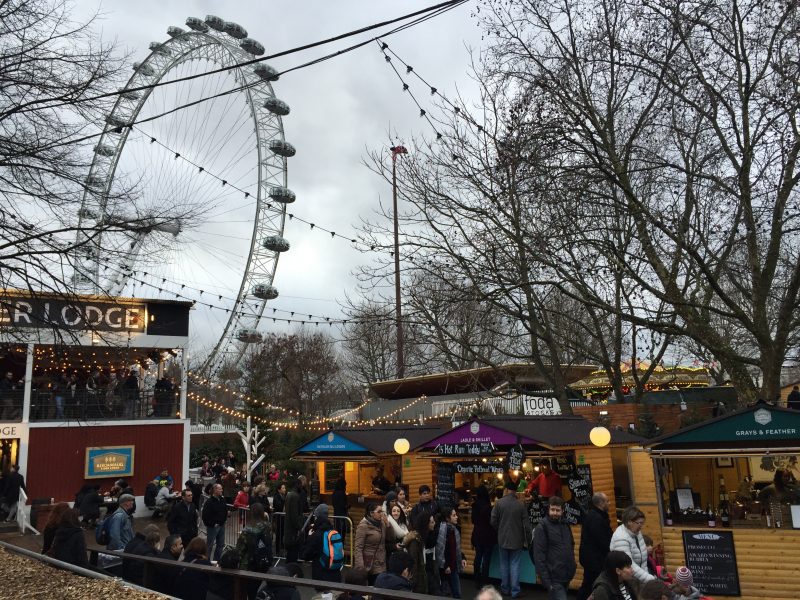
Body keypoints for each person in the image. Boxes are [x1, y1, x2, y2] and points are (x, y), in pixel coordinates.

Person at [491, 479, 532, 599]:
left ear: (507, 490)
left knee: (504, 564)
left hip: (502, 538)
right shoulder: (521, 504)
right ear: (515, 491)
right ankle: (515, 591)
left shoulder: (499, 503)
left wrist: (499, 529)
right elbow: (527, 525)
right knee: (515, 564)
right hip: (517, 539)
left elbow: (493, 521)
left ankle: (505, 589)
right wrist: (528, 540)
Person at [533, 496, 576, 600]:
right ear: (548, 509)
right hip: (553, 578)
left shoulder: (565, 524)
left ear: (562, 511)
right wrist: (547, 582)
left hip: (566, 575)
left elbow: (571, 544)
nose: (555, 513)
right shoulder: (542, 527)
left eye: (558, 510)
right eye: (552, 510)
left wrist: (572, 566)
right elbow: (539, 556)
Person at [577, 492, 613, 600]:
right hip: (594, 560)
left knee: (589, 584)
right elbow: (602, 540)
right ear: (601, 503)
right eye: (607, 501)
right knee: (589, 585)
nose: (609, 503)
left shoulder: (594, 515)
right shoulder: (596, 519)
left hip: (592, 558)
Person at [609, 506, 656, 585]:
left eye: (642, 523)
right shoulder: (621, 538)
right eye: (639, 523)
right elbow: (630, 565)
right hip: (628, 581)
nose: (641, 526)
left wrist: (647, 578)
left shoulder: (636, 531)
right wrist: (650, 579)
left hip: (639, 578)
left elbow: (643, 560)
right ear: (629, 522)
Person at [409, 484, 441, 595]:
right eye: (424, 493)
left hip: (433, 539)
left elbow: (439, 518)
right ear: (420, 495)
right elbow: (415, 523)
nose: (427, 495)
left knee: (432, 568)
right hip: (422, 540)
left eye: (428, 493)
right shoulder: (416, 508)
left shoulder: (435, 505)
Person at [303, 503, 343, 585]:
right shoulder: (333, 531)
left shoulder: (316, 534)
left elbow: (306, 555)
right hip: (336, 574)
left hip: (321, 575)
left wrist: (309, 537)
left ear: (316, 516)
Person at [353, 501, 389, 584]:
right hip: (369, 564)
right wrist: (360, 567)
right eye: (379, 512)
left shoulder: (382, 523)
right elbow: (358, 547)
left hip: (381, 562)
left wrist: (388, 524)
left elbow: (390, 537)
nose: (382, 514)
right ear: (371, 513)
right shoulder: (363, 526)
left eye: (382, 511)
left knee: (380, 587)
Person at [437, 506, 467, 598]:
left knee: (457, 593)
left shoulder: (454, 530)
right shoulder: (443, 531)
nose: (456, 517)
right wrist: (446, 565)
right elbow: (441, 550)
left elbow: (455, 548)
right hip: (445, 568)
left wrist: (462, 558)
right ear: (447, 518)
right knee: (446, 594)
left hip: (453, 566)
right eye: (454, 515)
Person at [471, 485, 497, 590]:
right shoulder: (488, 507)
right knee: (486, 559)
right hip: (488, 535)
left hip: (477, 534)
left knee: (478, 556)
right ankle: (485, 580)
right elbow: (491, 522)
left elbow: (473, 520)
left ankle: (477, 580)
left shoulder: (474, 506)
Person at [403, 511, 433, 594]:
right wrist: (413, 583)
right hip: (417, 581)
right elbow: (413, 562)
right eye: (431, 522)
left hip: (420, 576)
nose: (434, 524)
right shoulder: (415, 541)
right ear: (425, 524)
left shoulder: (420, 538)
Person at [202, 482, 228, 562]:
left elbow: (225, 510)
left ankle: (216, 560)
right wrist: (213, 523)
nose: (222, 490)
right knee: (209, 545)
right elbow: (205, 516)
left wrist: (224, 520)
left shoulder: (222, 499)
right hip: (213, 527)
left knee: (220, 545)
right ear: (215, 490)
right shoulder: (209, 502)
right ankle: (206, 561)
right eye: (220, 489)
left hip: (222, 525)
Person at [284, 478, 306, 563]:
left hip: (289, 530)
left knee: (290, 556)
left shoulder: (289, 495)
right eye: (300, 484)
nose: (301, 486)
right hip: (293, 532)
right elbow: (295, 516)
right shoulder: (295, 496)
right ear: (297, 485)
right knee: (292, 557)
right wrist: (299, 528)